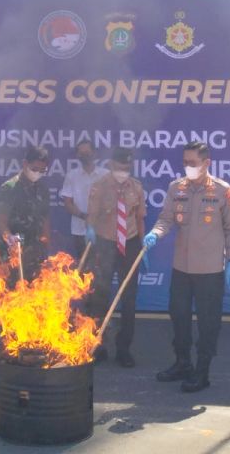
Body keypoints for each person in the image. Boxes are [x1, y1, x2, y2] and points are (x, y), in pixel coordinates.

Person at [143, 140, 230, 393]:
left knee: (208, 322)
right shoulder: (177, 188)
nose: (188, 167)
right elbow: (165, 220)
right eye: (185, 162)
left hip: (210, 270)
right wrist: (154, 234)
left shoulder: (222, 190)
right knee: (179, 317)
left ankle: (202, 370)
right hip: (182, 268)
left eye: (192, 163)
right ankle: (182, 362)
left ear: (206, 163)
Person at [85, 147, 146, 367]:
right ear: (111, 165)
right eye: (120, 168)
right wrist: (90, 231)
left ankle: (124, 349)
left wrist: (141, 245)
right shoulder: (100, 187)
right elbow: (91, 217)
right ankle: (98, 345)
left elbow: (139, 218)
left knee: (129, 298)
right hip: (105, 242)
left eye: (128, 168)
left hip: (129, 243)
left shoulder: (136, 187)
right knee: (100, 296)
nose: (124, 172)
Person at [0, 146, 53, 282]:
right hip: (13, 254)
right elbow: (0, 221)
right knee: (12, 295)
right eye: (34, 169)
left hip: (35, 253)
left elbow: (45, 220)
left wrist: (46, 245)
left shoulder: (43, 190)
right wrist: (9, 238)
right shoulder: (9, 188)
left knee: (37, 294)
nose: (37, 173)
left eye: (42, 171)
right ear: (25, 164)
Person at [59, 139, 107, 260]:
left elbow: (112, 202)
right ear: (77, 156)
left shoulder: (106, 175)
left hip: (103, 231)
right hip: (79, 230)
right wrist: (84, 216)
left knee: (102, 269)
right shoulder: (72, 176)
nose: (85, 155)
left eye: (87, 152)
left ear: (94, 153)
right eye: (81, 153)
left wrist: (97, 217)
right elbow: (68, 202)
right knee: (84, 270)